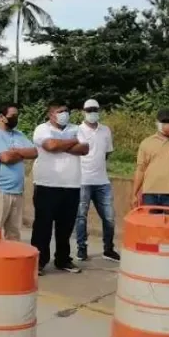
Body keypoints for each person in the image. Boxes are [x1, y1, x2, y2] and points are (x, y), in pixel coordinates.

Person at [31, 102, 88, 275]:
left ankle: (63, 259)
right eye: (60, 111)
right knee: (43, 225)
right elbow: (50, 146)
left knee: (66, 226)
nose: (64, 113)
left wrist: (61, 144)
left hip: (71, 185)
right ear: (51, 114)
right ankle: (38, 261)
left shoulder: (78, 128)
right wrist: (72, 142)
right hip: (47, 184)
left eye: (66, 111)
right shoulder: (42, 129)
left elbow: (84, 148)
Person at [0, 104, 37, 241]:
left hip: (17, 191)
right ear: (1, 117)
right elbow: (5, 158)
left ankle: (9, 261)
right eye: (12, 116)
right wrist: (23, 153)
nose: (15, 118)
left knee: (13, 233)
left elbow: (35, 152)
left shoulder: (19, 134)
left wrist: (17, 151)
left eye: (17, 116)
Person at [75, 99, 120, 262]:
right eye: (89, 110)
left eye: (95, 109)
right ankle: (81, 249)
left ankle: (108, 249)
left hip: (102, 181)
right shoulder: (77, 131)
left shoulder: (105, 130)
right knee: (81, 217)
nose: (92, 112)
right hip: (83, 180)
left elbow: (107, 152)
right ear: (83, 112)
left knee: (109, 217)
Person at [132, 108, 169, 210]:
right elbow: (140, 169)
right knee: (151, 224)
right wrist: (134, 194)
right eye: (163, 122)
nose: (166, 124)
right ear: (157, 123)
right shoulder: (147, 142)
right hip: (150, 193)